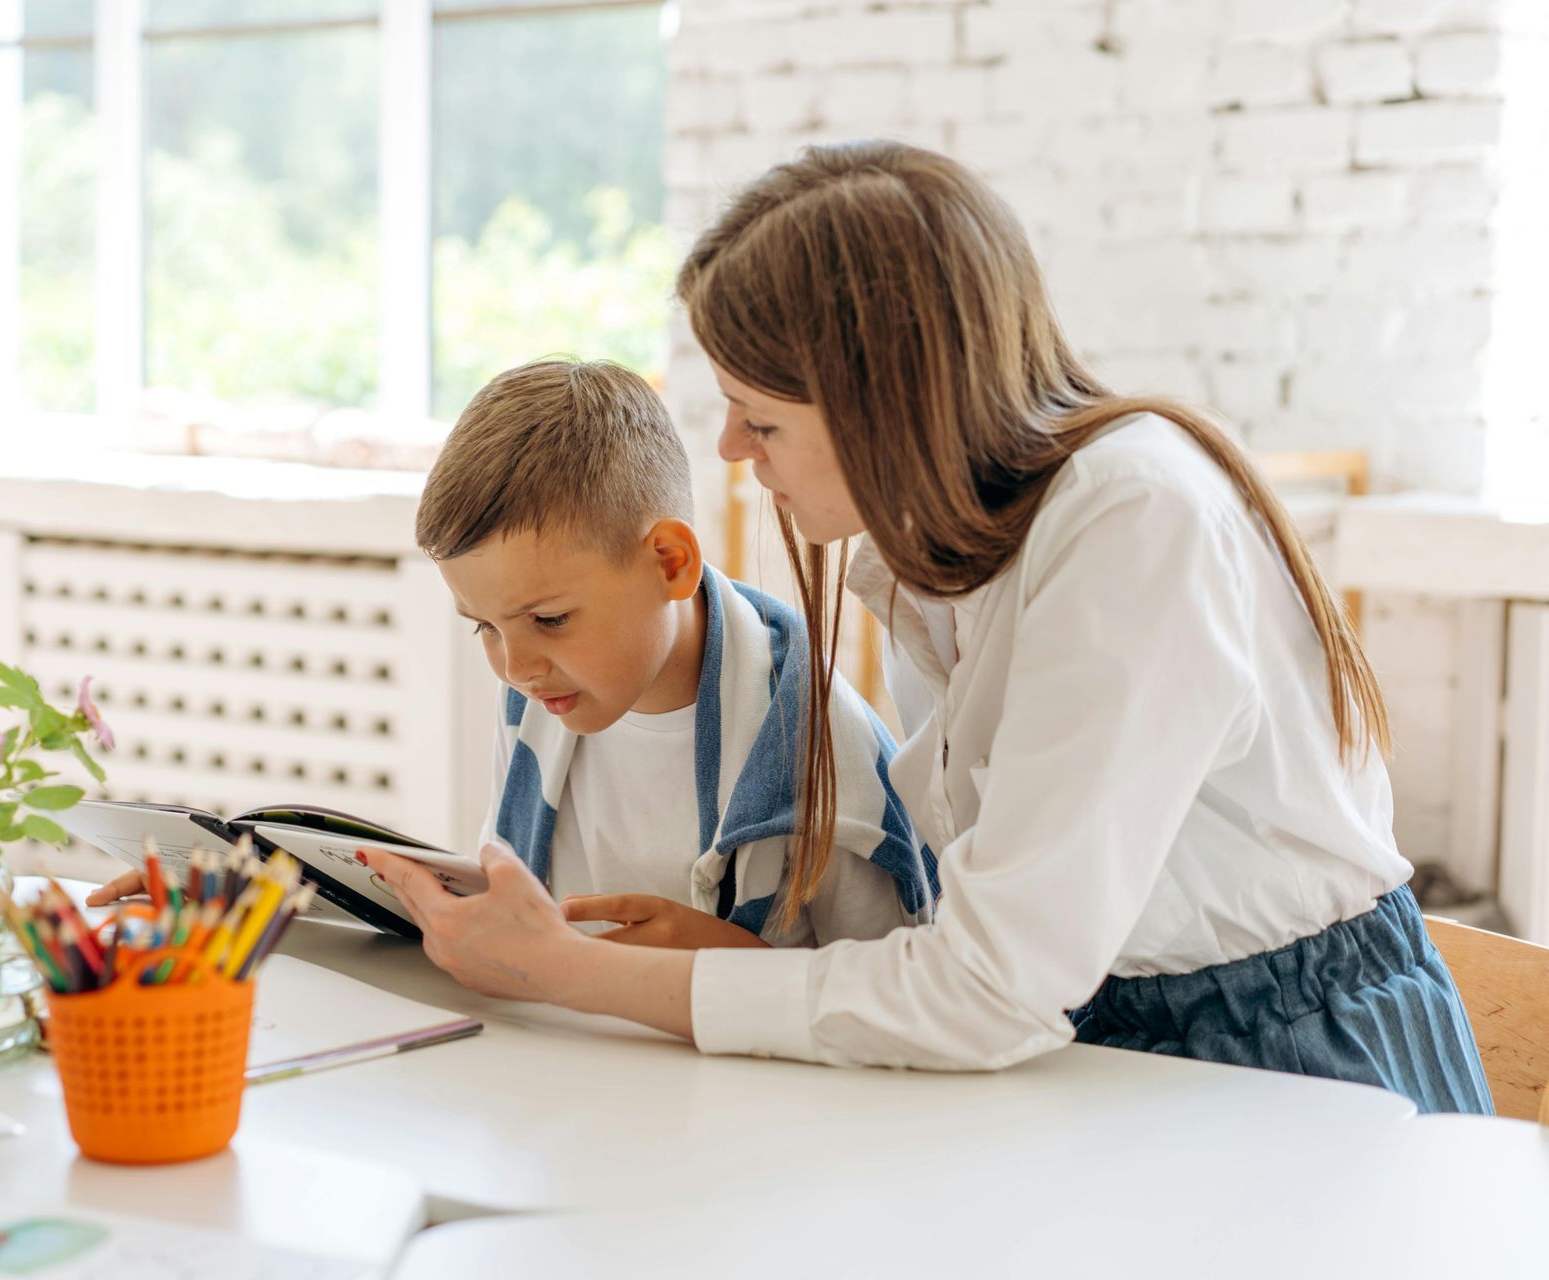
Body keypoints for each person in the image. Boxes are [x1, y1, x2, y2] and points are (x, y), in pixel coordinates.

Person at [363, 143, 1493, 1115]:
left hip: (1287, 1070)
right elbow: (980, 958)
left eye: (762, 419)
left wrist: (570, 970)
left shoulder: (1133, 520)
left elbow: (987, 985)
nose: (731, 455)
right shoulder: (930, 563)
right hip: (1098, 1052)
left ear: (885, 396)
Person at [98, 356, 939, 953]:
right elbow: (521, 920)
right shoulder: (549, 698)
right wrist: (253, 897)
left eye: (549, 618)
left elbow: (902, 991)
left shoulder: (820, 744)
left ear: (671, 563)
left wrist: (732, 971)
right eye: (485, 629)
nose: (515, 667)